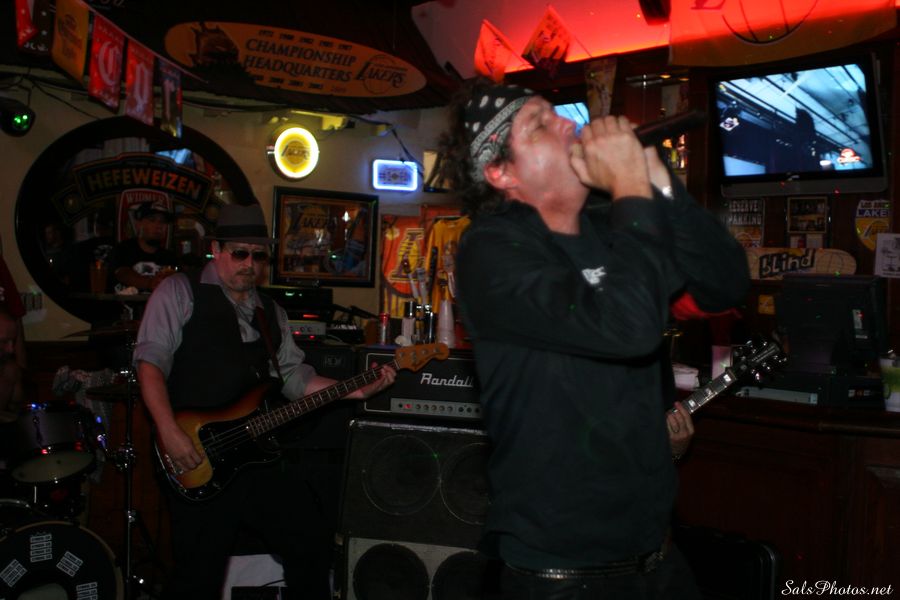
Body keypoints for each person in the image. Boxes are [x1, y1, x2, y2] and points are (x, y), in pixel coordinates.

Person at [437, 79, 749, 598]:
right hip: (563, 575)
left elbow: (725, 283)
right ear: (501, 172)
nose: (568, 124)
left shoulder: (610, 226)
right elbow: (629, 329)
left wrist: (659, 184)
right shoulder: (491, 251)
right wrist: (628, 185)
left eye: (558, 113)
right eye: (539, 125)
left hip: (657, 555)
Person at [133, 203, 396, 599]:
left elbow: (293, 376)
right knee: (199, 574)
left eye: (258, 256)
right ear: (216, 249)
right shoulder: (180, 291)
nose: (250, 265)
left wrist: (353, 390)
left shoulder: (270, 311)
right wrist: (168, 430)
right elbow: (150, 363)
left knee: (309, 539)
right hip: (196, 454)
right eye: (240, 253)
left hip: (254, 457)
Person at [111, 200, 179, 291]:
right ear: (138, 224)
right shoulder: (123, 250)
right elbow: (123, 274)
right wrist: (149, 283)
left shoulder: (169, 257)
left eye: (163, 222)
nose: (159, 226)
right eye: (152, 220)